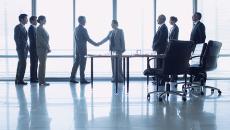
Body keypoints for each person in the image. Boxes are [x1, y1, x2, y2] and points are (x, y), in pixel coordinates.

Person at [70, 16, 98, 84]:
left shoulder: (76, 29)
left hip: (77, 49)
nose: (85, 21)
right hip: (82, 49)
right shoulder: (83, 29)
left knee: (76, 63)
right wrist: (96, 44)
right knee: (82, 64)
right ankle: (82, 79)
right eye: (84, 20)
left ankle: (72, 77)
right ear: (81, 21)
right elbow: (88, 39)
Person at [14, 14, 29, 85]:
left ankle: (18, 80)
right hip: (21, 49)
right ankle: (20, 80)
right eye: (26, 18)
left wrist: (27, 48)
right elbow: (16, 39)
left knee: (21, 64)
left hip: (24, 49)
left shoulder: (24, 27)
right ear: (22, 19)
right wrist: (22, 47)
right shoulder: (18, 27)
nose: (27, 20)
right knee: (23, 64)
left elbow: (25, 40)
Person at [36, 15, 51, 86]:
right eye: (44, 20)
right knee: (42, 65)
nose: (45, 21)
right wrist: (47, 47)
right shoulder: (39, 28)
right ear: (41, 20)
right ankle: (41, 81)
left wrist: (47, 47)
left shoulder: (42, 28)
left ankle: (42, 81)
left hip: (43, 49)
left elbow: (45, 40)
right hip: (41, 49)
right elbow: (41, 40)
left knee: (43, 65)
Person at [28, 16, 38, 83]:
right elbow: (33, 40)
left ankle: (35, 77)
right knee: (33, 63)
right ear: (31, 21)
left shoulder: (34, 28)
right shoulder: (31, 28)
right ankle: (33, 78)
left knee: (35, 63)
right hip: (33, 48)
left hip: (35, 48)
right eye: (35, 20)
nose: (36, 21)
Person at [169, 16, 179, 82]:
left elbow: (173, 38)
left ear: (173, 21)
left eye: (170, 20)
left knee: (173, 62)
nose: (169, 21)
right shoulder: (172, 27)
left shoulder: (176, 28)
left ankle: (174, 77)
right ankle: (172, 77)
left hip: (173, 47)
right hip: (172, 46)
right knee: (172, 62)